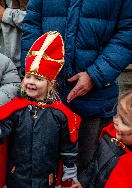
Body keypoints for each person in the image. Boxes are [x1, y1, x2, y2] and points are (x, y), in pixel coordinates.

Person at [21, 0, 132, 172]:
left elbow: (128, 32)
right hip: (46, 95)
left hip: (93, 99)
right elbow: (32, 24)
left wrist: (95, 75)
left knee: (86, 171)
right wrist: (33, 72)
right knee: (38, 169)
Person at [0, 31, 82, 187]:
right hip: (17, 177)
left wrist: (70, 168)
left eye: (38, 78)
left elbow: (67, 144)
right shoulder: (16, 109)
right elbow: (1, 134)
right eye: (27, 76)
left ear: (51, 83)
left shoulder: (59, 114)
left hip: (47, 179)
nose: (30, 82)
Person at [78, 90, 132, 188]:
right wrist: (83, 182)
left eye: (124, 121)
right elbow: (95, 163)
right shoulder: (110, 134)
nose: (115, 120)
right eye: (118, 114)